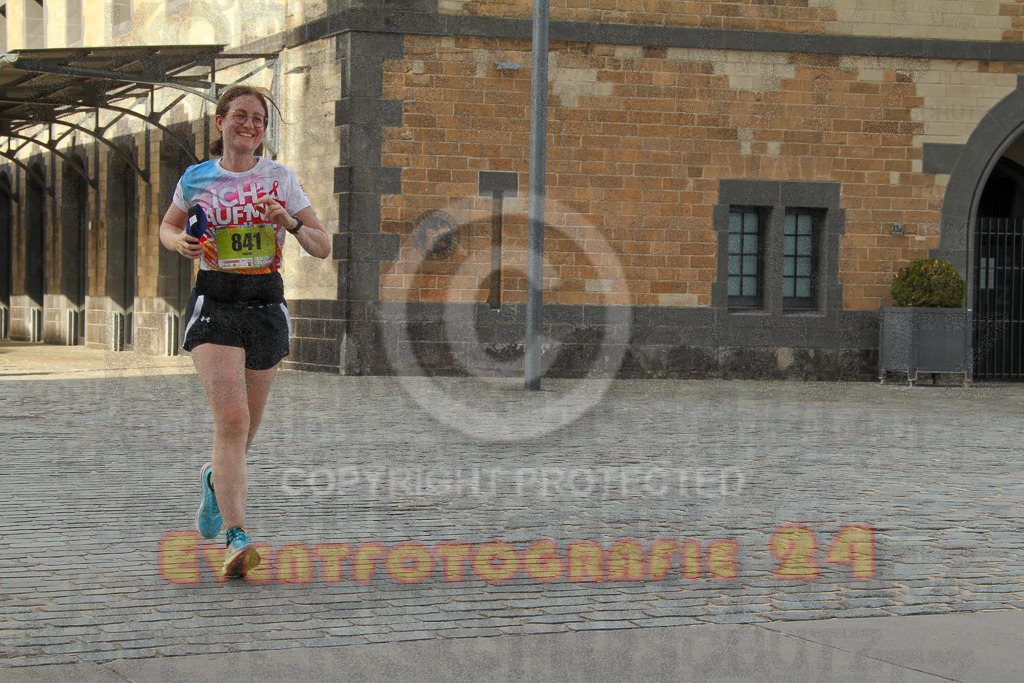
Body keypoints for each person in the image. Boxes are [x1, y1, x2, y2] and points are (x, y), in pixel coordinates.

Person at [159, 85, 331, 578]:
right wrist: (180, 242)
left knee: (246, 428)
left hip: (265, 304)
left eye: (258, 119)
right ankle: (237, 537)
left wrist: (290, 224)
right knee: (232, 420)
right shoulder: (196, 178)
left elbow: (321, 245)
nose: (249, 125)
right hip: (216, 301)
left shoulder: (281, 178)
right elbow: (167, 227)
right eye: (240, 115)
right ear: (220, 122)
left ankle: (216, 479)